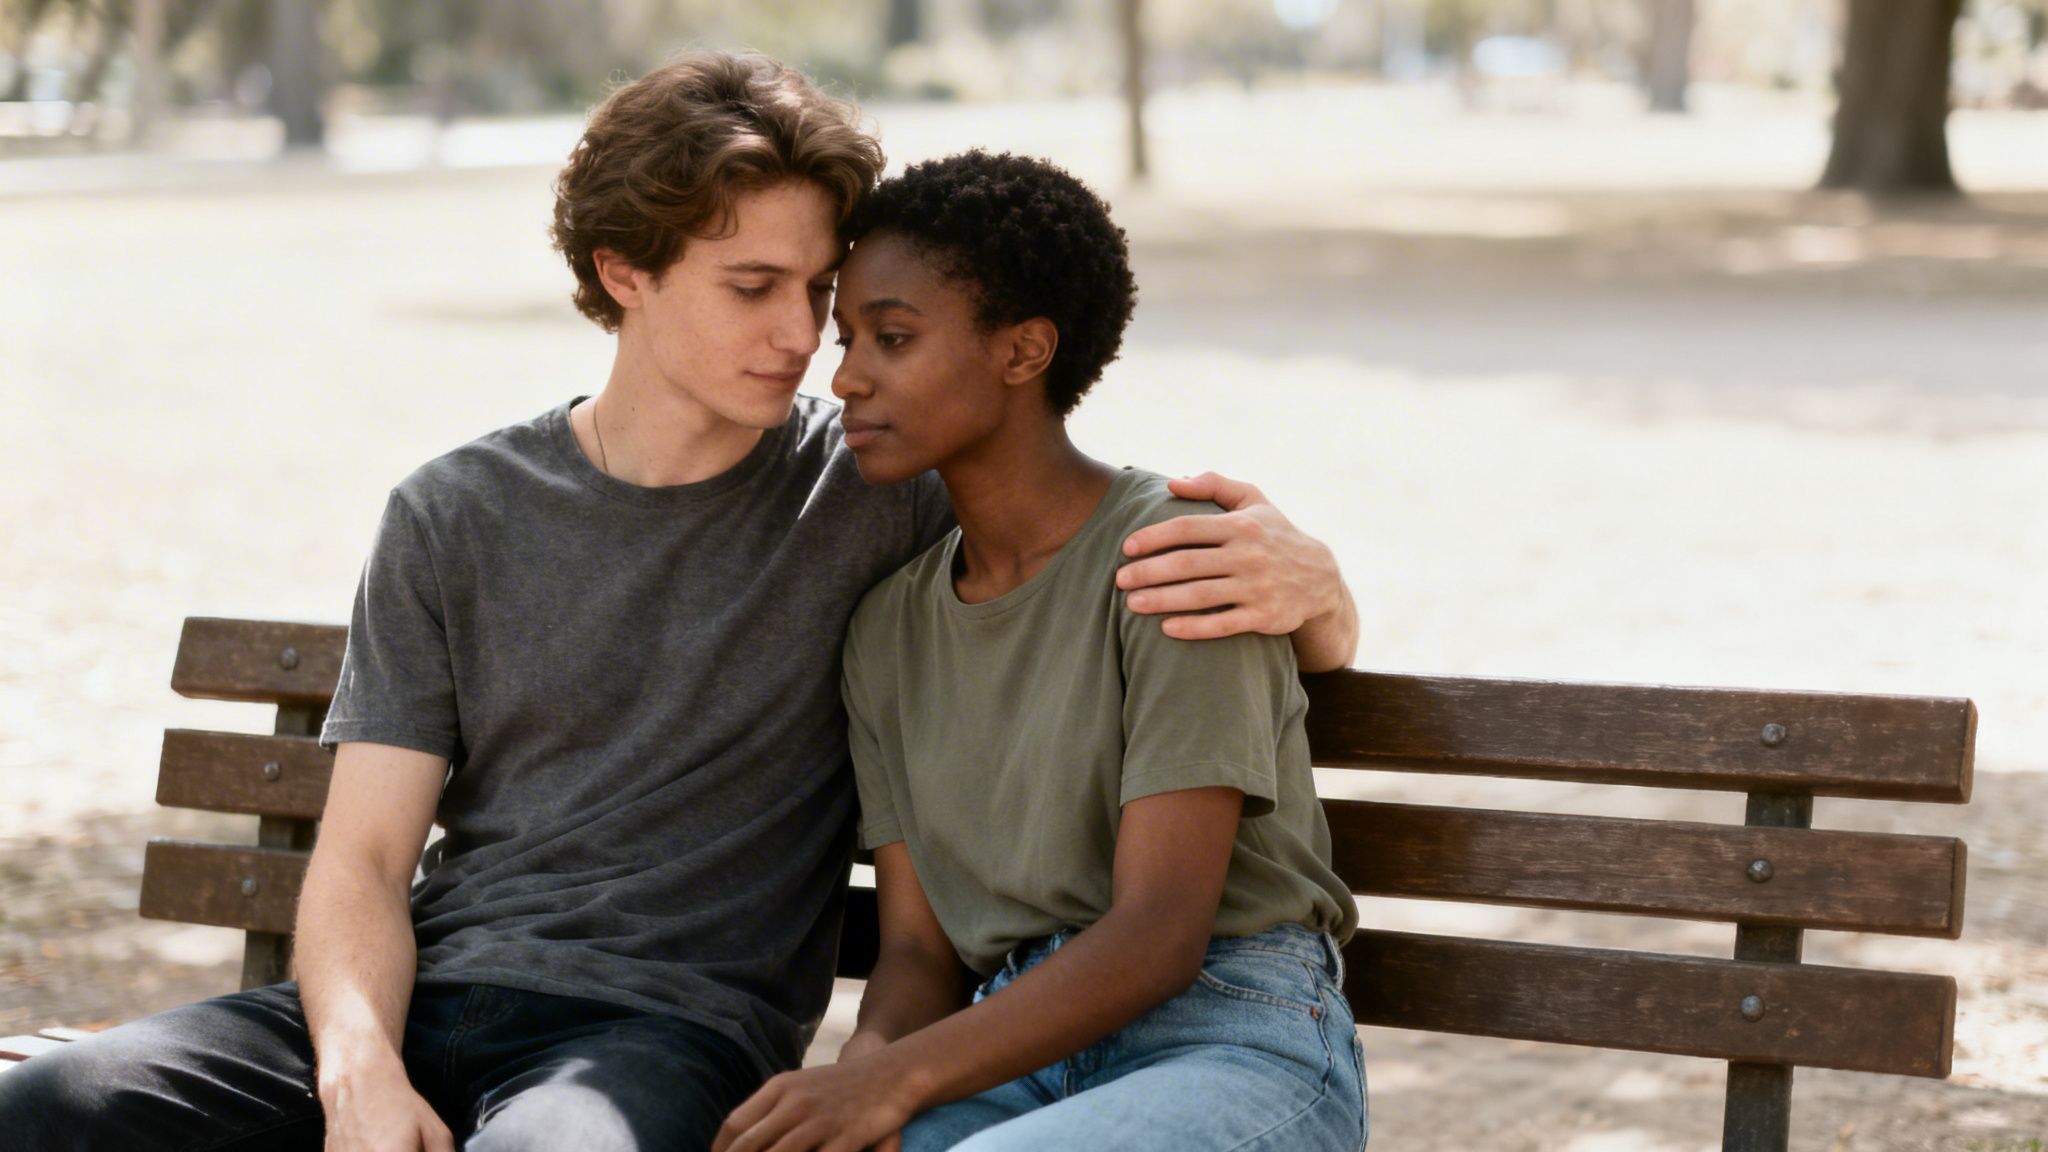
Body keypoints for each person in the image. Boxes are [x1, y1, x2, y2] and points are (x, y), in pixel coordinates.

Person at [0, 54, 1355, 1152]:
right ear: (623, 273)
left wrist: (1323, 598)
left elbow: (1063, 495)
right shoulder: (454, 513)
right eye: (754, 289)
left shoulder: (878, 486)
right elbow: (359, 865)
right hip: (417, 1000)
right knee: (46, 1107)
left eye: (822, 297)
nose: (807, 348)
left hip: (656, 1037)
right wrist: (355, 1073)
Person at [712, 152, 1365, 1152]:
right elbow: (920, 953)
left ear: (1021, 353)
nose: (842, 375)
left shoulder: (1177, 559)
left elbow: (1157, 936)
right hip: (1006, 1050)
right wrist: (863, 1082)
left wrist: (899, 1079)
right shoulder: (887, 630)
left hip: (1229, 1037)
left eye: (892, 337)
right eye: (848, 340)